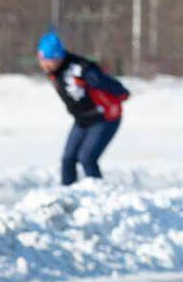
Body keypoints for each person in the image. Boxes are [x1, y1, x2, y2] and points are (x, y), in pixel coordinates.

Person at [36, 29, 130, 186]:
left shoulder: (81, 69)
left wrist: (122, 93)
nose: (45, 64)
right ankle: (68, 195)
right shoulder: (54, 69)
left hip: (104, 118)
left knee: (87, 158)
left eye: (50, 60)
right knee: (68, 159)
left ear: (59, 57)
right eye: (42, 59)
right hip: (82, 119)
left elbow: (109, 83)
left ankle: (100, 197)